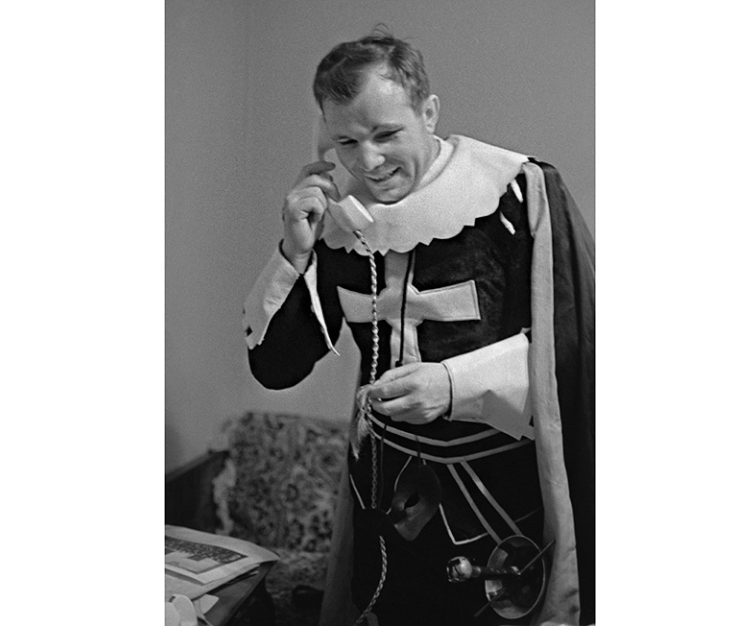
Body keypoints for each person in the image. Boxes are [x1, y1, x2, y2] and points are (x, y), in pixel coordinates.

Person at [242, 31, 594, 626]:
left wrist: (454, 386)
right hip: (383, 501)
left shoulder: (517, 194)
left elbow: (578, 350)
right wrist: (295, 252)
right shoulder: (337, 219)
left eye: (386, 134)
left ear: (428, 113)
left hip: (497, 505)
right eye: (346, 141)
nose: (367, 162)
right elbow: (276, 368)